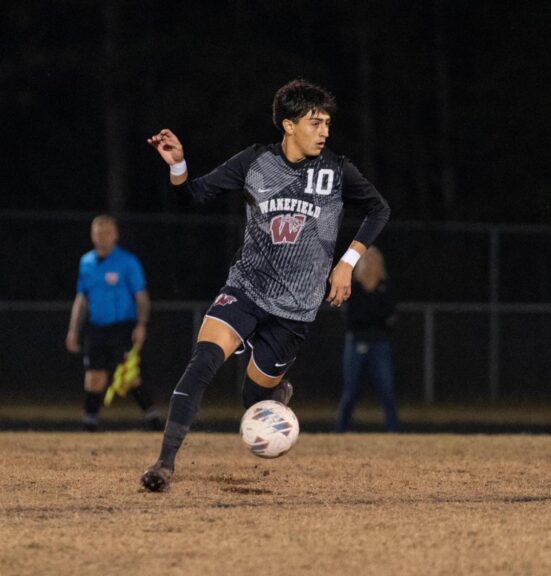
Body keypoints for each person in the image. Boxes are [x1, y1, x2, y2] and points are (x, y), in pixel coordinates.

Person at [140, 78, 391, 492]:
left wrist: (347, 262)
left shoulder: (336, 170)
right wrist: (178, 165)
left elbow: (379, 209)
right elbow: (194, 196)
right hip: (247, 287)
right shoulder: (255, 162)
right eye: (316, 122)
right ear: (288, 125)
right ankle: (164, 464)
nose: (325, 131)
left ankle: (275, 392)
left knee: (253, 399)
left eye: (327, 122)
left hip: (295, 309)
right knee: (202, 362)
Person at [65, 215, 161, 431]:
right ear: (92, 235)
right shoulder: (86, 262)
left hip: (123, 327)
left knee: (129, 377)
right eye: (98, 232)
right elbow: (81, 299)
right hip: (96, 328)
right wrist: (73, 330)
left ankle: (154, 420)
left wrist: (141, 324)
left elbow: (142, 297)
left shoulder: (128, 262)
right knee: (93, 378)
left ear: (115, 234)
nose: (102, 236)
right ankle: (89, 425)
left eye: (107, 232)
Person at [335, 246, 400, 432]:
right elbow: (350, 318)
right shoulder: (352, 286)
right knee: (350, 391)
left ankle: (394, 431)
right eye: (367, 258)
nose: (371, 262)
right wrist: (374, 318)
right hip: (355, 342)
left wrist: (372, 319)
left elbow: (390, 316)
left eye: (374, 259)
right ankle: (340, 431)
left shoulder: (386, 286)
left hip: (379, 343)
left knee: (387, 390)